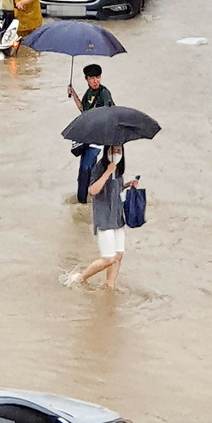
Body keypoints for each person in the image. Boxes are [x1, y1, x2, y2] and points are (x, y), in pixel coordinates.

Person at [61, 146, 138, 289]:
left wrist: (128, 185)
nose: (116, 154)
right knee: (109, 259)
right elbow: (93, 190)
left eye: (119, 151)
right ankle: (79, 278)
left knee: (118, 256)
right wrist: (107, 172)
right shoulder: (99, 168)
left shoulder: (119, 170)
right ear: (106, 152)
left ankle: (110, 286)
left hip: (117, 218)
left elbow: (114, 190)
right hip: (104, 219)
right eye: (112, 151)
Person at [67, 64, 114, 203]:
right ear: (86, 79)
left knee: (86, 168)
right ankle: (84, 200)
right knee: (84, 171)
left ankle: (85, 200)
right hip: (87, 137)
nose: (95, 81)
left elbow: (109, 114)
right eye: (92, 78)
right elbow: (83, 110)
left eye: (98, 77)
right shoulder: (89, 93)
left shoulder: (104, 93)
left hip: (98, 140)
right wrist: (73, 94)